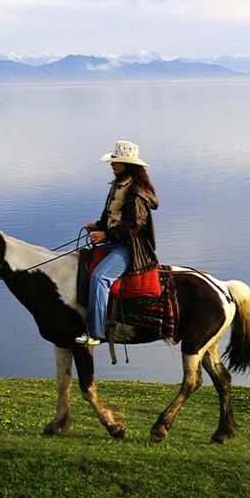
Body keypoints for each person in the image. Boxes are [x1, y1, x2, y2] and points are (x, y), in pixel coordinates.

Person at [76, 140, 159, 346]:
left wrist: (106, 236)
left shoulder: (136, 192)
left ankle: (95, 333)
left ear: (127, 164)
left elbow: (133, 227)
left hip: (130, 247)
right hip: (116, 240)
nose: (112, 164)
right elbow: (111, 216)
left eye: (116, 161)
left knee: (100, 277)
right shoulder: (118, 185)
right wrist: (98, 226)